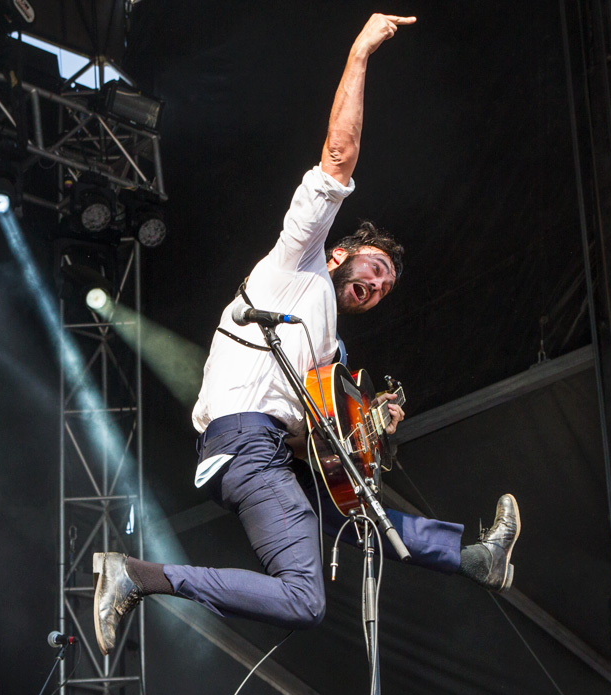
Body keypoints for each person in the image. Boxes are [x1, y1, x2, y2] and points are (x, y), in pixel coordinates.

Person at [92, 13, 520, 655]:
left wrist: (369, 427)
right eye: (375, 269)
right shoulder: (298, 263)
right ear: (342, 253)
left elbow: (319, 445)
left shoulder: (326, 351)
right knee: (303, 597)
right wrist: (360, 52)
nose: (378, 285)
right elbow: (337, 156)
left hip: (267, 449)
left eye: (386, 287)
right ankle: (138, 575)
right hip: (244, 442)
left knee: (364, 513)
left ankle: (473, 559)